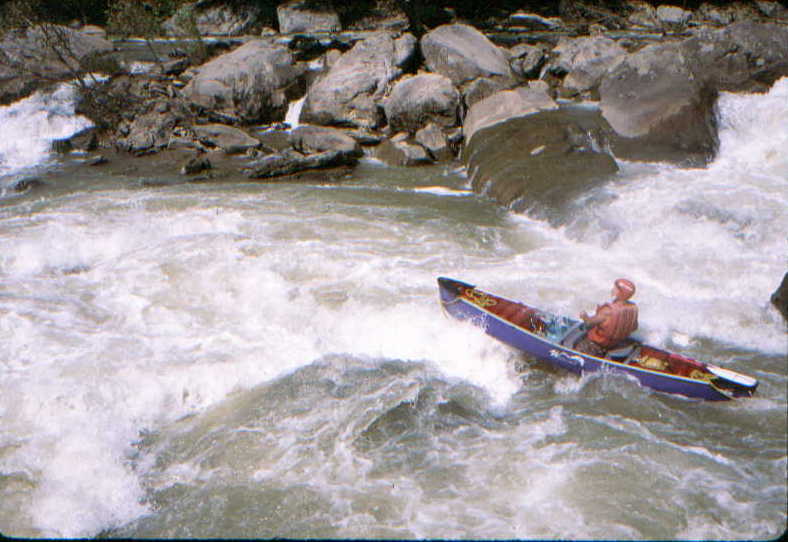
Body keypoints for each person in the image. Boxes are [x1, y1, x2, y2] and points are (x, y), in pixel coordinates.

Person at [574, 278, 639, 357]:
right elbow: (634, 327)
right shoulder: (633, 308)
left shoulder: (608, 311)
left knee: (577, 347)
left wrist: (584, 316)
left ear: (620, 293)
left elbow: (589, 322)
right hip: (616, 343)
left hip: (597, 344)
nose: (612, 290)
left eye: (615, 289)